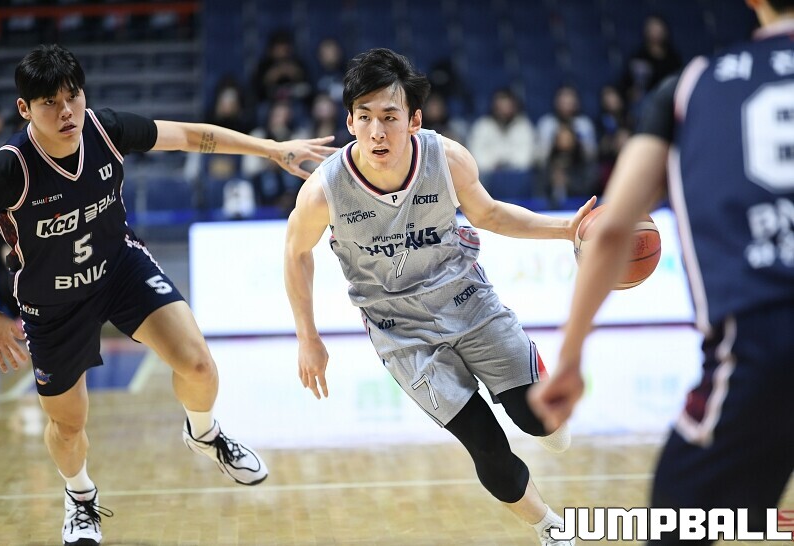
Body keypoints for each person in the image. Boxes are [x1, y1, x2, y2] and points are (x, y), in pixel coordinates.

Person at [0, 44, 336, 546]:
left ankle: (204, 434)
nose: (66, 112)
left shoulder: (106, 129)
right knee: (69, 425)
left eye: (73, 96)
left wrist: (272, 149)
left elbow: (189, 136)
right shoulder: (6, 171)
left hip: (119, 269)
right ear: (24, 109)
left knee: (199, 365)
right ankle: (80, 496)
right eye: (49, 103)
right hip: (51, 301)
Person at [284, 47, 596, 546]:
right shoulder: (325, 190)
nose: (377, 131)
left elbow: (489, 214)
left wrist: (565, 230)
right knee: (485, 446)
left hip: (468, 300)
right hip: (400, 330)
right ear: (349, 122)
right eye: (365, 117)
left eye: (390, 117)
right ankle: (550, 529)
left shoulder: (446, 158)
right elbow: (296, 252)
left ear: (415, 120)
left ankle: (540, 402)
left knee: (540, 423)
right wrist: (308, 337)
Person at [529, 1, 794, 544]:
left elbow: (611, 231)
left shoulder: (691, 87)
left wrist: (570, 358)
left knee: (678, 520)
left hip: (763, 343)